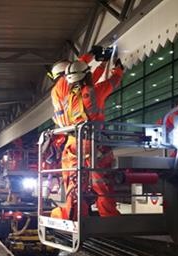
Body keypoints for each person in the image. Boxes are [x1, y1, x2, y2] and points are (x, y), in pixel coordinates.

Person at [52, 57, 124, 220]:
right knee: (102, 182)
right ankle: (109, 216)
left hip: (72, 144)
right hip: (95, 142)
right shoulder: (95, 91)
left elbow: (83, 76)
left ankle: (75, 216)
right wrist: (117, 69)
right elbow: (113, 81)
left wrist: (102, 65)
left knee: (74, 184)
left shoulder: (67, 96)